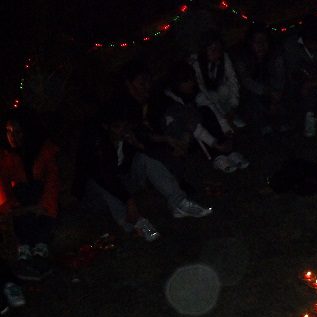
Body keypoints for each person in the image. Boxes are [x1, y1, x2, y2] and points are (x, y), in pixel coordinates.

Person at [74, 103, 212, 242]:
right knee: (102, 185)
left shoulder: (128, 136)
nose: (122, 130)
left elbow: (153, 150)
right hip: (96, 194)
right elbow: (105, 177)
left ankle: (179, 203)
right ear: (106, 127)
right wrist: (129, 201)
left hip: (123, 180)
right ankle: (135, 223)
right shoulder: (97, 143)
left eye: (124, 126)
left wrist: (137, 145)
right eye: (117, 127)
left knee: (144, 158)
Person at [0, 110, 59, 281]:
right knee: (22, 191)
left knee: (34, 190)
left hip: (41, 200)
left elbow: (52, 181)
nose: (12, 137)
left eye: (17, 132)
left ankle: (40, 248)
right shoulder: (6, 155)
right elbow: (3, 185)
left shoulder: (44, 150)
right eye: (8, 131)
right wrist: (13, 207)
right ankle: (25, 250)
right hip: (23, 202)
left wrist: (43, 206)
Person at [161, 62, 249, 173]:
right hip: (186, 137)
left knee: (206, 110)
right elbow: (192, 126)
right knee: (198, 115)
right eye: (186, 81)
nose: (191, 83)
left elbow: (213, 110)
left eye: (192, 79)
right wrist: (214, 144)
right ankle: (217, 156)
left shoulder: (196, 93)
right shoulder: (172, 102)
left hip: (202, 130)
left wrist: (227, 130)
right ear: (177, 84)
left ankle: (229, 151)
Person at [234, 24, 287, 136]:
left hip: (273, 90)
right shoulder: (242, 57)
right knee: (253, 99)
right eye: (257, 42)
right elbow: (246, 81)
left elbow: (280, 76)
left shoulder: (275, 54)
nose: (261, 45)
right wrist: (267, 92)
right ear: (250, 43)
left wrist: (276, 95)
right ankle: (263, 126)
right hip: (253, 93)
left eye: (264, 41)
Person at [189, 30, 245, 136]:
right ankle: (224, 124)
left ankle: (232, 116)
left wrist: (233, 106)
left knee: (224, 89)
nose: (216, 52)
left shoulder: (224, 57)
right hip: (207, 99)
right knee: (204, 97)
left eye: (218, 48)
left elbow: (233, 80)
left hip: (222, 96)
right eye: (212, 49)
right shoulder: (196, 63)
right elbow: (202, 89)